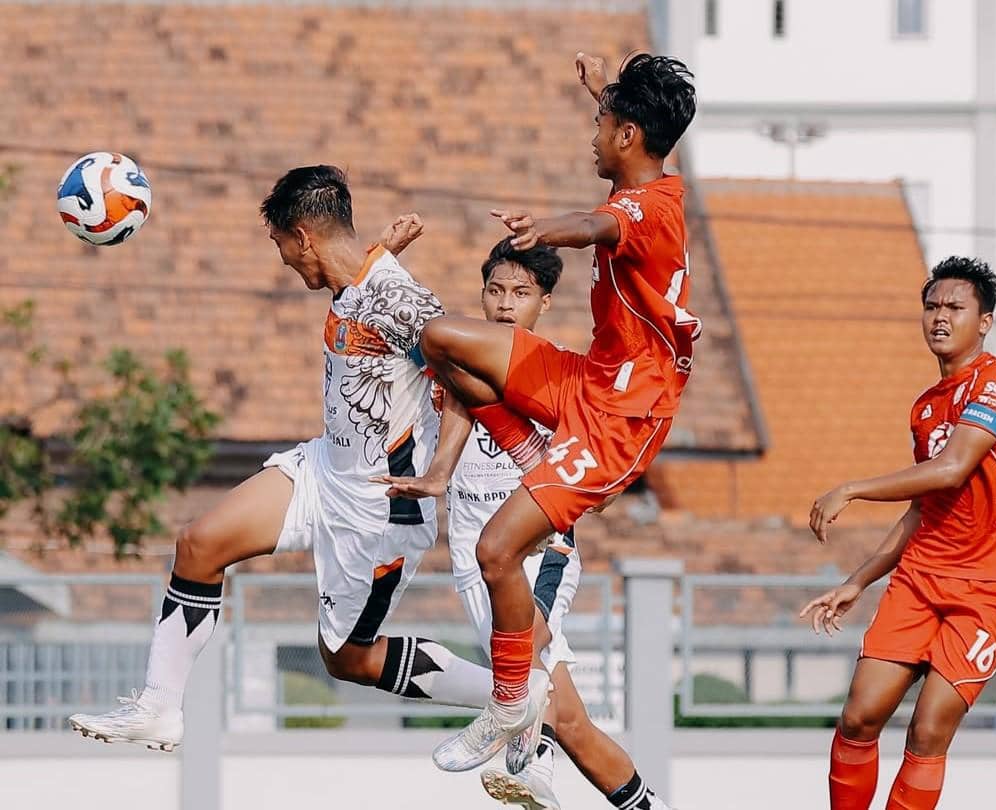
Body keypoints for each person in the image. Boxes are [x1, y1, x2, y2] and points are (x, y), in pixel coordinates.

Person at [68, 166, 495, 750]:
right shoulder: (360, 278)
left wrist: (440, 471)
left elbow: (469, 378)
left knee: (348, 659)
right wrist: (385, 250)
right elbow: (368, 297)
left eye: (281, 246)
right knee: (198, 545)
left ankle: (508, 695)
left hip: (378, 508)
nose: (284, 260)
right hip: (323, 472)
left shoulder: (397, 299)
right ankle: (159, 707)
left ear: (303, 237)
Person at [409, 49, 699, 778]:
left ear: (627, 135)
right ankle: (526, 451)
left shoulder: (647, 210)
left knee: (496, 551)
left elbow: (598, 225)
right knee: (438, 338)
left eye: (601, 124)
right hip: (588, 379)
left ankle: (510, 703)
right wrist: (601, 87)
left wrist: (543, 230)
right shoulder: (647, 176)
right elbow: (617, 170)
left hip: (621, 422)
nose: (591, 136)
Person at [380, 236, 676, 810]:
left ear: (545, 303)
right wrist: (386, 256)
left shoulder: (560, 376)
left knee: (529, 653)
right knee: (568, 716)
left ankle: (533, 762)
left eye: (520, 293)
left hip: (542, 549)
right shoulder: (457, 367)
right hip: (471, 553)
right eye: (494, 291)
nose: (505, 304)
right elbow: (395, 326)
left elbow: (605, 467)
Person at [799, 257, 996, 810]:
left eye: (955, 307)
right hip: (922, 576)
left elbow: (952, 468)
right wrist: (857, 581)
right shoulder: (926, 408)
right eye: (932, 306)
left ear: (985, 321)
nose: (940, 317)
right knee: (859, 715)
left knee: (929, 728)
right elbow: (921, 509)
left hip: (993, 584)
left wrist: (852, 488)